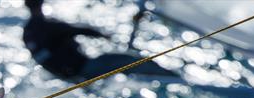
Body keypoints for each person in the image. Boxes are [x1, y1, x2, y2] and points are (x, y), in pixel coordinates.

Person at [23, 0, 178, 80]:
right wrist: (105, 35)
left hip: (70, 76)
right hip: (84, 68)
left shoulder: (28, 32)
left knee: (119, 62)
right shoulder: (48, 25)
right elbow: (79, 30)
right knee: (130, 60)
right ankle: (172, 78)